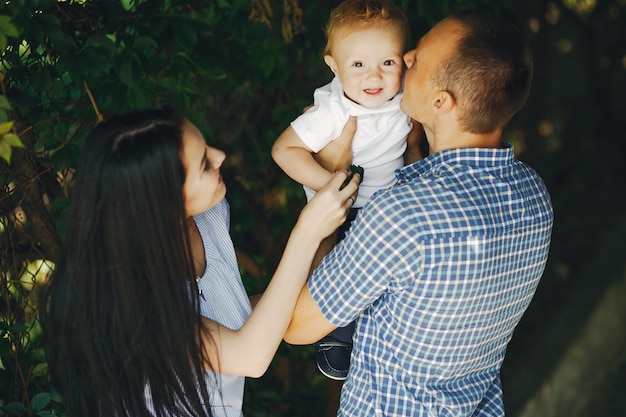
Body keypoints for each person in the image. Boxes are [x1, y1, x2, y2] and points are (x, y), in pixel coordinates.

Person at [284, 9, 554, 416]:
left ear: (441, 102)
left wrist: (326, 195)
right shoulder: (533, 197)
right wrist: (409, 151)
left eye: (417, 59)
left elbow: (297, 325)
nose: (405, 56)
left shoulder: (405, 218)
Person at [38, 107, 360, 417]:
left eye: (207, 147)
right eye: (205, 163)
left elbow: (270, 309)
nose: (220, 156)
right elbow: (250, 355)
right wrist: (305, 231)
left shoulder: (209, 215)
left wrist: (321, 187)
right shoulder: (125, 303)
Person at [271, 0, 422, 381]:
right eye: (358, 65)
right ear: (335, 67)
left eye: (387, 63)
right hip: (350, 206)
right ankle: (337, 336)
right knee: (339, 269)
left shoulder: (404, 94)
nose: (374, 76)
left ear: (404, 61)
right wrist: (333, 187)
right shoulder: (334, 110)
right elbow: (284, 150)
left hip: (392, 204)